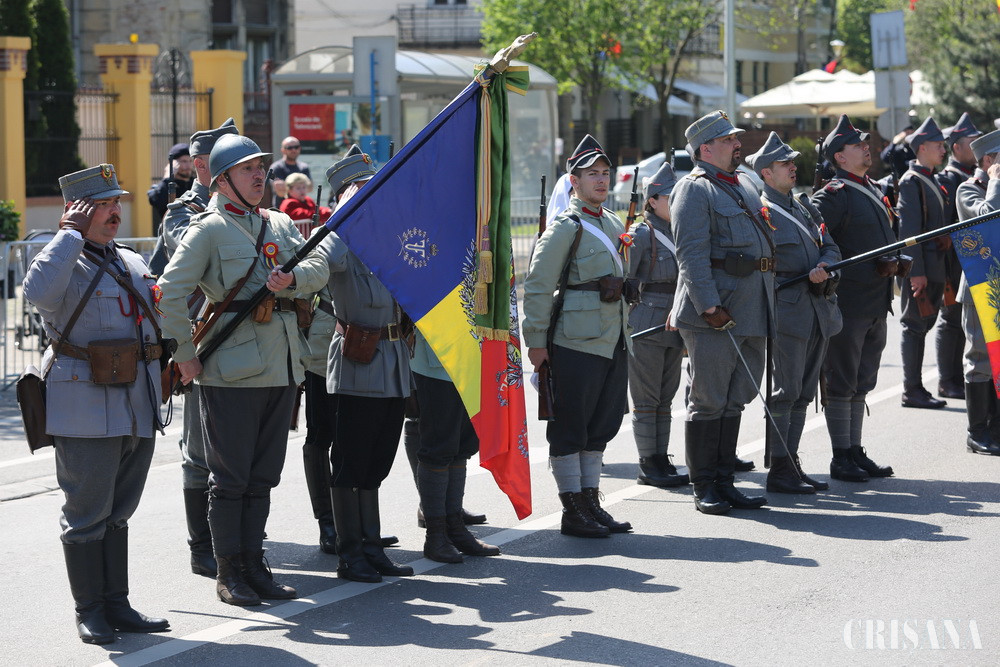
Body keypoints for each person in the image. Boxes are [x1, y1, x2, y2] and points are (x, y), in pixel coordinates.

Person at [157, 134, 329, 606]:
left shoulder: (278, 222)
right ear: (222, 180)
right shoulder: (208, 229)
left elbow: (320, 267)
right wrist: (184, 354)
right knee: (230, 479)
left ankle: (255, 566)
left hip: (282, 366)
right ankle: (229, 572)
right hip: (231, 371)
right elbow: (169, 293)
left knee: (263, 476)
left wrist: (294, 278)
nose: (259, 176)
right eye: (247, 169)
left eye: (260, 167)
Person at [23, 164, 169, 644]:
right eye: (102, 205)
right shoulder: (61, 259)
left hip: (136, 402)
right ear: (77, 211)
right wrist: (68, 234)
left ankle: (117, 604)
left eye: (115, 203)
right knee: (87, 511)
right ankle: (89, 610)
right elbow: (38, 293)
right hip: (84, 406)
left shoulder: (129, 260)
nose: (113, 212)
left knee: (119, 510)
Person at [522, 134, 633, 538]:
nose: (601, 180)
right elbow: (537, 287)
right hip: (575, 341)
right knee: (571, 425)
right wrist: (536, 343)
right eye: (592, 174)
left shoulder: (613, 223)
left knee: (601, 423)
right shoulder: (564, 228)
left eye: (605, 173)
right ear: (574, 181)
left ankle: (590, 501)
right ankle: (572, 509)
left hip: (613, 338)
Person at [318, 145, 415, 582]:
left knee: (377, 461)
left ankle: (373, 547)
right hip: (358, 361)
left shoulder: (387, 237)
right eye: (361, 188)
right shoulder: (340, 237)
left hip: (393, 360)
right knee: (351, 461)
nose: (372, 195)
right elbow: (320, 263)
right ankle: (350, 553)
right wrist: (343, 216)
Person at [670, 111, 772, 515]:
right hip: (715, 312)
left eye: (735, 138)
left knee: (735, 399)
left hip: (751, 308)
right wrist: (709, 306)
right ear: (705, 149)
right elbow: (691, 254)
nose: (737, 144)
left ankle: (726, 482)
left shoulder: (743, 185)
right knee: (709, 400)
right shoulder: (693, 189)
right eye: (728, 140)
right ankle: (704, 486)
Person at [149, 118, 239, 578]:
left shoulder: (249, 210)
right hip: (199, 340)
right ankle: (201, 544)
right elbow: (196, 257)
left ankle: (234, 533)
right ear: (204, 166)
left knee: (239, 445)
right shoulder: (184, 212)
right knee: (200, 448)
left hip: (243, 341)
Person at [746, 132, 842, 494]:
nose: (792, 167)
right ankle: (780, 467)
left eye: (792, 162)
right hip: (787, 311)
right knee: (785, 391)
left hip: (818, 308)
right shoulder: (760, 211)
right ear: (766, 173)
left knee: (803, 392)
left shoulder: (804, 206)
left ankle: (791, 462)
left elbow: (830, 246)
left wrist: (826, 265)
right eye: (784, 163)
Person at [811, 114, 897, 482]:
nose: (867, 147)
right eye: (857, 144)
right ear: (839, 157)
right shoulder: (834, 195)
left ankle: (855, 449)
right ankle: (840, 455)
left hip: (876, 301)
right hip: (847, 302)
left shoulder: (872, 189)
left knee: (863, 381)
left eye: (865, 143)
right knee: (842, 381)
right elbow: (815, 243)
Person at [411, 330, 501, 563]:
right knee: (438, 447)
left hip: (474, 353)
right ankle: (436, 536)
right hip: (439, 355)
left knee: (463, 445)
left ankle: (455, 527)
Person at [625, 162, 688, 488]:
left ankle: (661, 458)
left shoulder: (680, 231)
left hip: (675, 325)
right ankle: (648, 463)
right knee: (647, 399)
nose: (676, 203)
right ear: (652, 200)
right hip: (646, 325)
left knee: (665, 398)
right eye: (669, 197)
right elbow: (625, 282)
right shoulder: (641, 234)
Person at [897, 117, 949, 410]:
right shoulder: (912, 181)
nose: (943, 149)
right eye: (938, 145)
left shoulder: (931, 178)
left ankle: (917, 389)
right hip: (922, 269)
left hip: (935, 266)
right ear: (922, 148)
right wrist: (915, 272)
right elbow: (909, 232)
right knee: (914, 326)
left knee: (924, 324)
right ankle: (912, 390)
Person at [955, 129, 1000, 456]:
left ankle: (996, 428)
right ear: (989, 161)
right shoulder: (968, 189)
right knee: (981, 358)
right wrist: (996, 182)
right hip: (981, 286)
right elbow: (988, 218)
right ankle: (977, 432)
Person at [935, 112, 982, 399]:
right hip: (952, 261)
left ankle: (955, 378)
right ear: (957, 147)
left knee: (965, 325)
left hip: (968, 258)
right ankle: (946, 379)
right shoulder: (950, 178)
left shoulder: (970, 176)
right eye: (972, 142)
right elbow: (943, 225)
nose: (976, 148)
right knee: (951, 319)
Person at [147, 143, 194, 232]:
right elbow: (156, 200)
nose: (188, 166)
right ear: (173, 164)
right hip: (171, 233)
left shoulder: (196, 184)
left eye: (190, 161)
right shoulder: (164, 187)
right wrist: (167, 178)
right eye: (184, 161)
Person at [279, 172, 332, 237]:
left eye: (304, 187)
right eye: (298, 188)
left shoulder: (308, 200)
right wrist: (327, 212)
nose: (302, 190)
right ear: (289, 190)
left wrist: (330, 210)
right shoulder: (288, 203)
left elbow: (316, 209)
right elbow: (306, 214)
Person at [269, 135, 311, 207]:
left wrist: (288, 187)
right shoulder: (276, 167)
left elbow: (310, 187)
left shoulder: (304, 167)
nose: (293, 150)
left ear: (300, 148)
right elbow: (279, 190)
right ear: (283, 150)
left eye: (296, 147)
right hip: (282, 209)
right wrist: (301, 186)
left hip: (301, 208)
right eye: (289, 148)